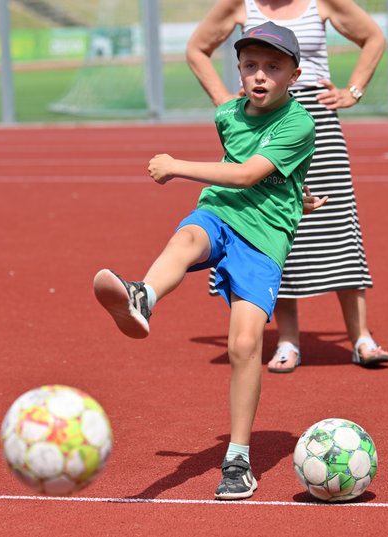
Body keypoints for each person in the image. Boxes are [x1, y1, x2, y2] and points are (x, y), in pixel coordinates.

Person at [93, 22, 325, 499]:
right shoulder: (228, 114)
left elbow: (247, 173)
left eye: (273, 67)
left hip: (264, 240)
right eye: (250, 65)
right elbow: (236, 164)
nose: (259, 75)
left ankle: (237, 459)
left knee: (244, 345)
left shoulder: (299, 123)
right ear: (238, 69)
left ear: (294, 75)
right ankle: (143, 295)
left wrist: (176, 166)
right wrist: (294, 189)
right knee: (188, 236)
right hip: (220, 213)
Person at [187, 0, 388, 373]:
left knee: (337, 225)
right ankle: (287, 340)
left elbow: (373, 37)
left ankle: (361, 337)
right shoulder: (238, 4)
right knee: (270, 227)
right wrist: (223, 100)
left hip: (315, 117)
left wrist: (353, 91)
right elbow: (197, 49)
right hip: (260, 125)